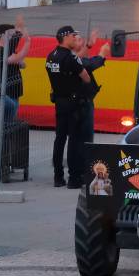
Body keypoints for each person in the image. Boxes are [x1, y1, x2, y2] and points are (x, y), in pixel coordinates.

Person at [46, 25, 92, 189]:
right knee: (74, 140)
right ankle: (74, 178)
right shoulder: (71, 58)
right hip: (73, 103)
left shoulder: (50, 57)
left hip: (59, 102)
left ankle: (58, 177)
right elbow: (86, 78)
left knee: (59, 139)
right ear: (65, 37)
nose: (74, 39)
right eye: (73, 36)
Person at [73, 32, 111, 155]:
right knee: (84, 136)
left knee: (79, 137)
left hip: (83, 102)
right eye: (78, 40)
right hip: (81, 103)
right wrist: (101, 54)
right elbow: (88, 64)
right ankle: (83, 165)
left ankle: (79, 166)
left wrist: (89, 45)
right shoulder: (73, 59)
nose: (82, 42)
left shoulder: (72, 57)